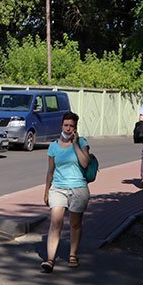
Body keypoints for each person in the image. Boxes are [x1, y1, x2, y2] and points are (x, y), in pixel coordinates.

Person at [41, 111, 91, 273]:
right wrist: (47, 191)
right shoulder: (54, 146)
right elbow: (50, 170)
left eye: (72, 126)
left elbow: (84, 164)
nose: (68, 128)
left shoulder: (83, 143)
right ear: (61, 125)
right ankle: (50, 259)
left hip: (78, 188)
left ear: (76, 128)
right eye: (66, 125)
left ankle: (73, 254)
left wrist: (75, 144)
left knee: (75, 224)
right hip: (58, 188)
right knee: (56, 222)